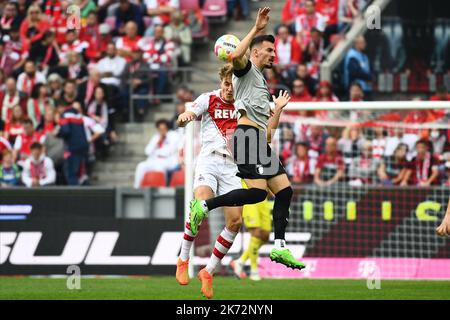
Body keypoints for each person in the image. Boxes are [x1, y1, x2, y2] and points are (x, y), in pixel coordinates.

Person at [188, 8, 305, 276]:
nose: (273, 54)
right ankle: (203, 205)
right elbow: (234, 56)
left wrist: (277, 110)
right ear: (255, 53)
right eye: (268, 50)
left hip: (256, 140)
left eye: (274, 51)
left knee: (282, 191)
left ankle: (279, 245)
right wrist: (256, 29)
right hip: (245, 137)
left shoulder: (262, 86)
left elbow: (268, 133)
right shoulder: (246, 69)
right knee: (259, 193)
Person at [175, 64, 243, 297]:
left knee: (235, 222)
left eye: (233, 86)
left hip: (234, 167)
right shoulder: (208, 99)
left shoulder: (244, 104)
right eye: (226, 84)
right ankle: (183, 258)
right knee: (199, 208)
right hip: (209, 162)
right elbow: (189, 114)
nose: (229, 90)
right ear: (221, 81)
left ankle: (209, 271)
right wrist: (186, 116)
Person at [230, 181, 273, 282]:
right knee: (256, 233)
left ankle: (240, 261)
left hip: (263, 198)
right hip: (249, 195)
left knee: (265, 235)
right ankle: (254, 271)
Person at [133, 119, 179, 188]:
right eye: (160, 129)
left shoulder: (173, 135)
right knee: (141, 166)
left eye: (164, 128)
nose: (162, 131)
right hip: (154, 160)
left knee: (161, 169)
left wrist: (164, 141)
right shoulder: (156, 137)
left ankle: (163, 189)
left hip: (167, 161)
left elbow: (170, 151)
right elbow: (147, 151)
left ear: (167, 128)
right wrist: (157, 143)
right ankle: (136, 187)